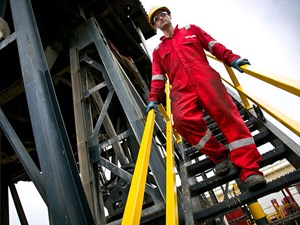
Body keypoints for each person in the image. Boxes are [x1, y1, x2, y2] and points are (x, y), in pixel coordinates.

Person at [145, 6, 266, 191]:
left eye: (163, 14)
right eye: (156, 18)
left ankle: (250, 170)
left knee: (229, 119)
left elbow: (213, 45)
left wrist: (231, 58)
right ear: (155, 26)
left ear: (170, 16)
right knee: (182, 122)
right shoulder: (159, 50)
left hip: (207, 80)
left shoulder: (191, 30)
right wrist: (154, 98)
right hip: (181, 90)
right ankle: (219, 155)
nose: (161, 18)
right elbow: (158, 77)